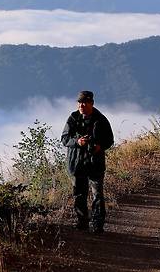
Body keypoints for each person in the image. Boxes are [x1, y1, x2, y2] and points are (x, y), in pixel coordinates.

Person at [61, 91, 114, 233]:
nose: (81, 105)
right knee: (79, 194)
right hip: (77, 163)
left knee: (97, 195)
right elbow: (64, 139)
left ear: (92, 103)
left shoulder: (101, 119)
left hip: (95, 163)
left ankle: (98, 225)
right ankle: (82, 222)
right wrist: (78, 142)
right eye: (79, 102)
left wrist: (99, 146)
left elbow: (110, 140)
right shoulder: (73, 118)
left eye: (85, 102)